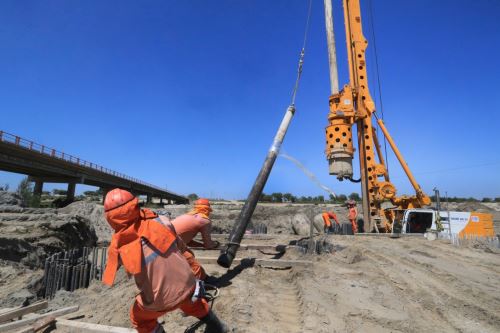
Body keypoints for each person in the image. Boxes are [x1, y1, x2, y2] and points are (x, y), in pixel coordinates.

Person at [102, 189, 227, 333]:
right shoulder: (162, 221)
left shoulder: (117, 246)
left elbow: (111, 269)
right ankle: (219, 328)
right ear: (136, 205)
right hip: (188, 287)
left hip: (158, 302)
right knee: (193, 303)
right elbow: (185, 250)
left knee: (138, 318)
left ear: (110, 218)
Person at [171, 198, 219, 281]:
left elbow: (187, 241)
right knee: (192, 263)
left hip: (167, 240)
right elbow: (208, 245)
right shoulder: (204, 220)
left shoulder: (187, 216)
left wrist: (201, 245)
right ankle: (202, 281)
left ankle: (183, 277)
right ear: (207, 210)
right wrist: (215, 244)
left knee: (189, 254)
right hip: (171, 243)